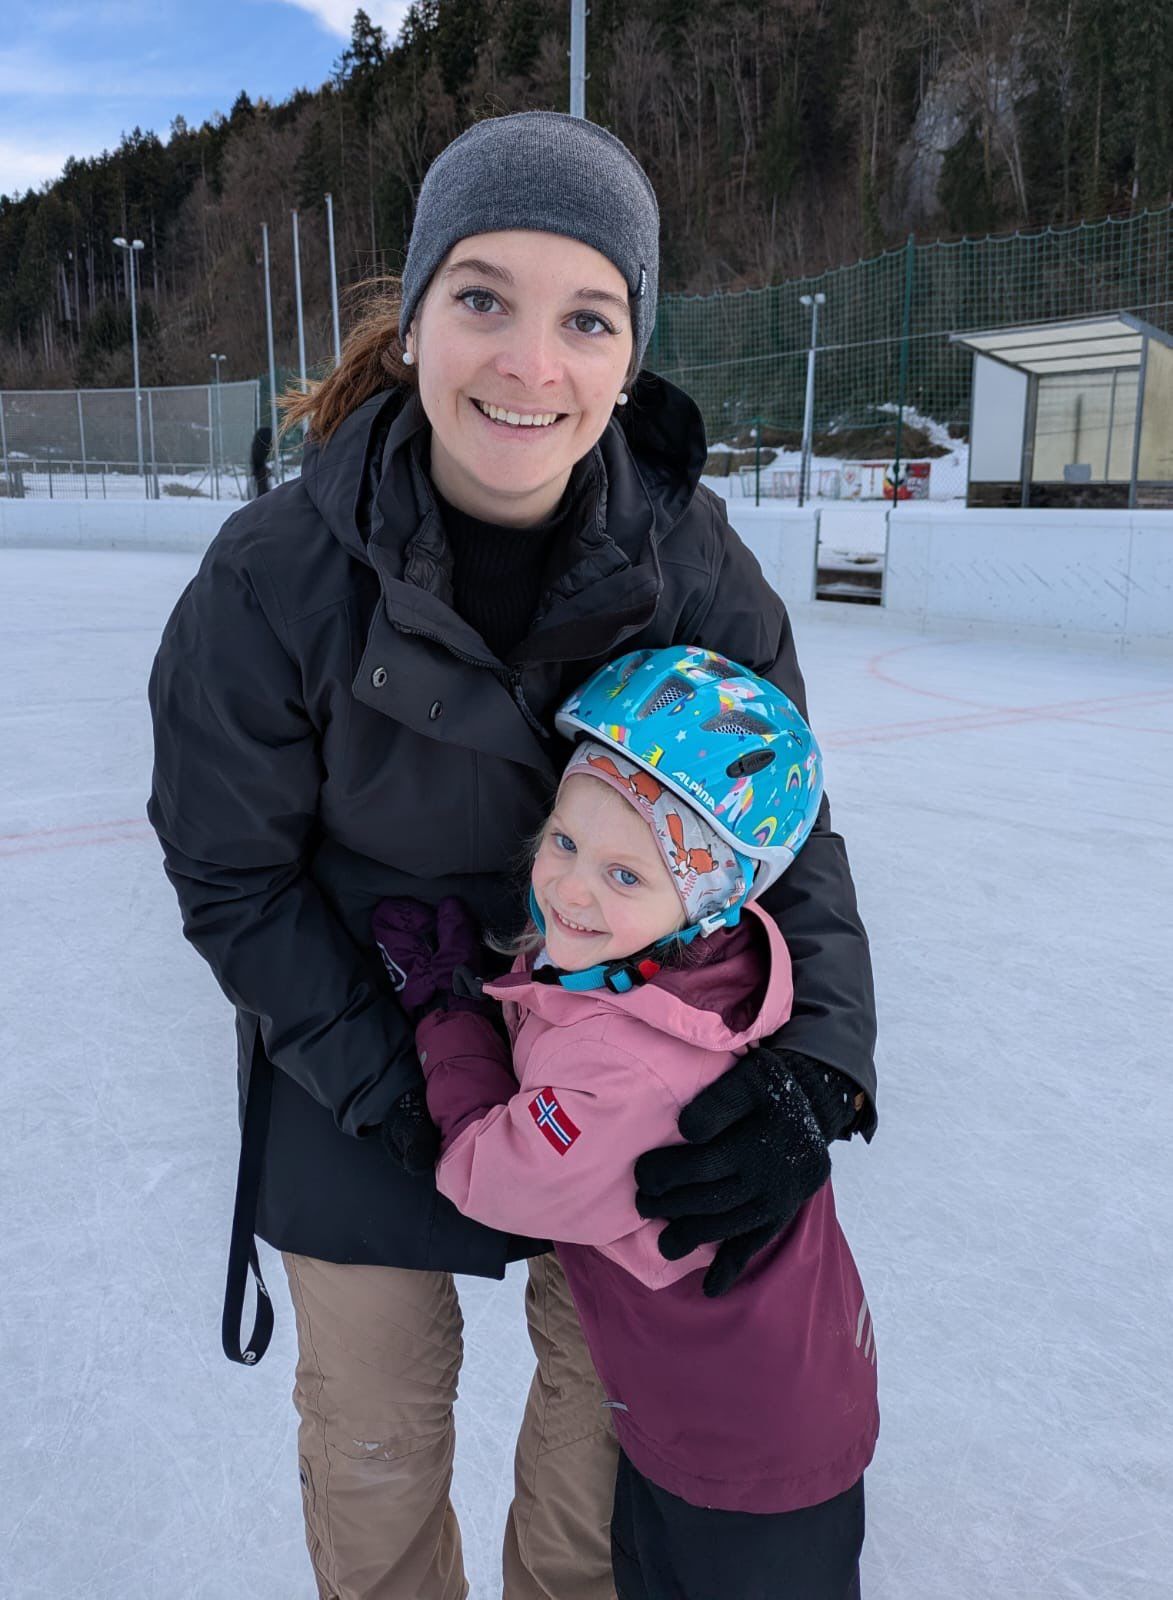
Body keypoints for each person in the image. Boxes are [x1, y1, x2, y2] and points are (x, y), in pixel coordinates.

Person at [146, 110, 877, 1600]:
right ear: (414, 324)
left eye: (585, 318)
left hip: (620, 1068)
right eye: (481, 299)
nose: (530, 365)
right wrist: (399, 1076)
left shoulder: (694, 563)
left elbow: (781, 828)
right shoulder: (273, 579)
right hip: (356, 1048)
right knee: (372, 1446)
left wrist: (820, 1063)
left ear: (629, 355)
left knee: (596, 1446)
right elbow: (235, 876)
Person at [373, 646, 878, 1600]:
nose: (569, 891)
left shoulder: (626, 1071)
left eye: (624, 876)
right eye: (563, 843)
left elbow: (489, 1173)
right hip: (753, 1403)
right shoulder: (711, 959)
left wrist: (447, 1017)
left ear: (702, 902)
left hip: (740, 1455)